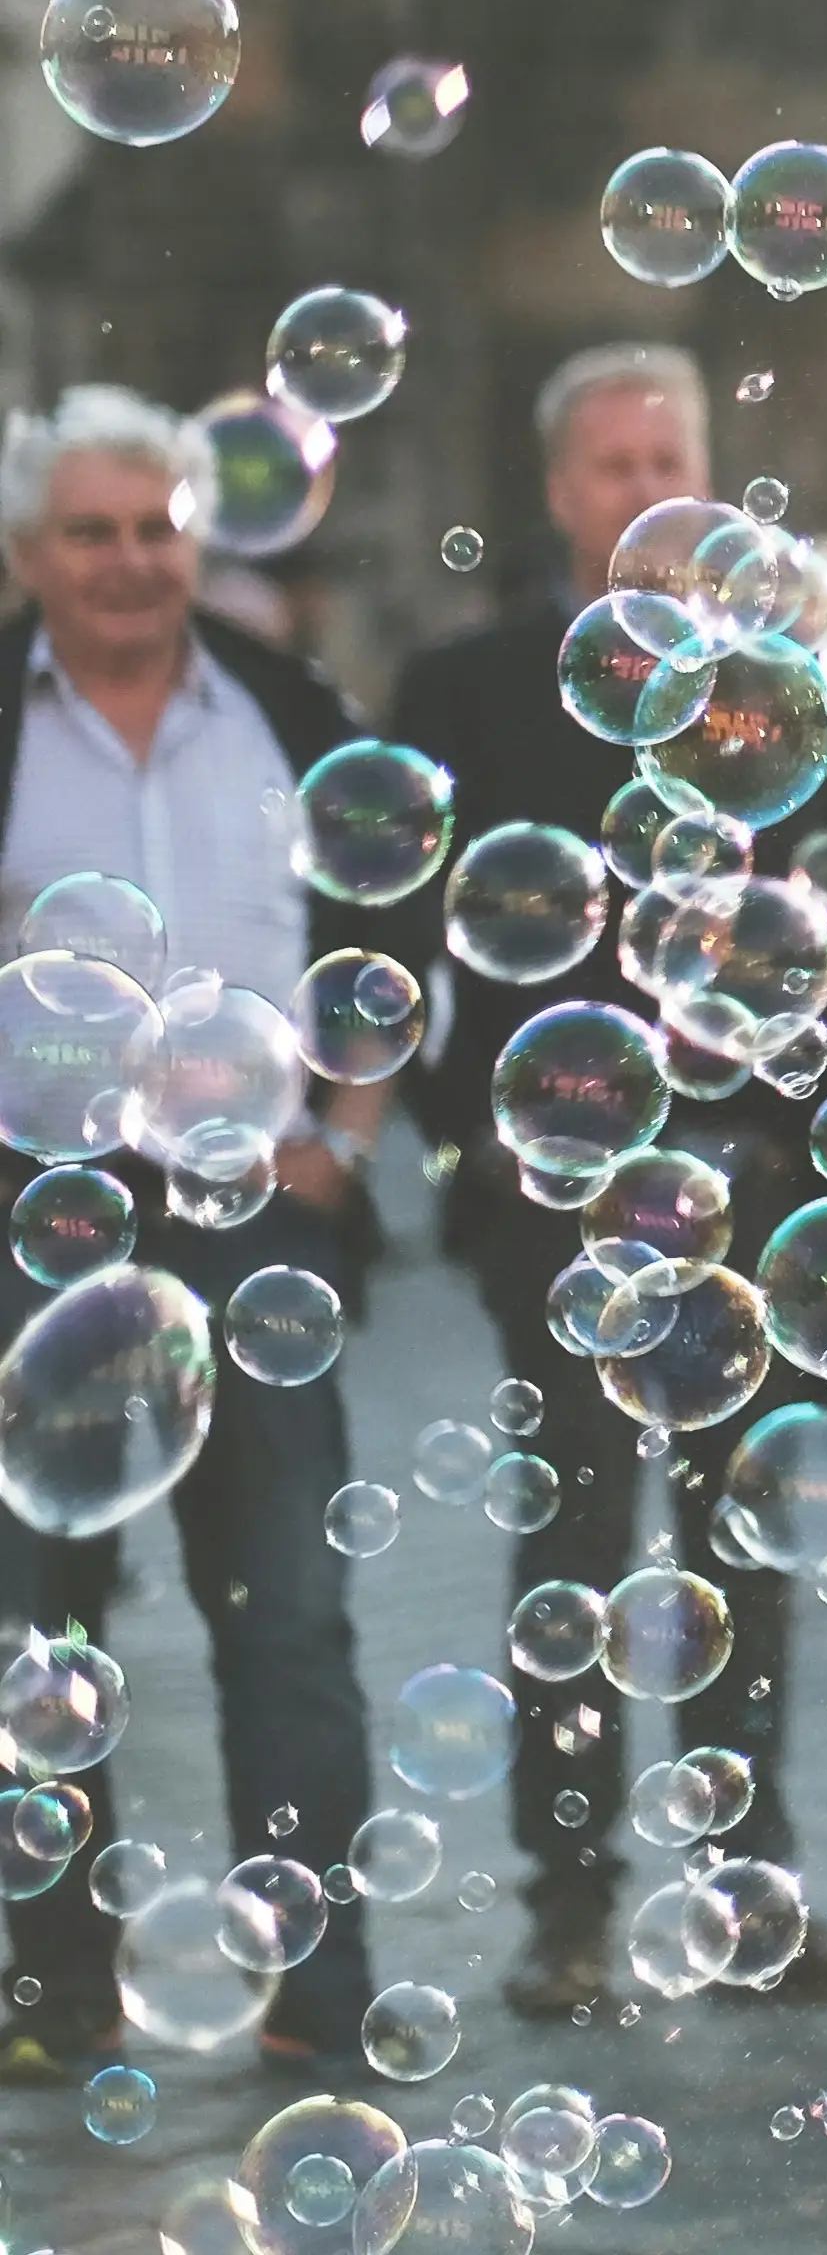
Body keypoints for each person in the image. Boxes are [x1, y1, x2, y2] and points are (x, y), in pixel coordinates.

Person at [391, 346, 827, 2016]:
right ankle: (567, 1908)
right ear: (558, 491)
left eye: (664, 456)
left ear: (710, 474)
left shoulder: (779, 689)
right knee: (572, 1552)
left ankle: (744, 1895)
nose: (638, 487)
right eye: (608, 462)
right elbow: (408, 944)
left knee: (739, 1541)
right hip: (551, 1191)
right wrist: (474, 1146)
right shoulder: (468, 683)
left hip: (743, 1177)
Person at [0, 389, 390, 2073]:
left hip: (251, 1215)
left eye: (156, 525)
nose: (129, 560)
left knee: (289, 1603)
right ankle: (50, 1990)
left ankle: (321, 1984)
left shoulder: (290, 705)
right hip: (33, 1213)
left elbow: (393, 938)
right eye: (91, 530)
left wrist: (345, 1141)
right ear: (29, 552)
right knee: (34, 1617)